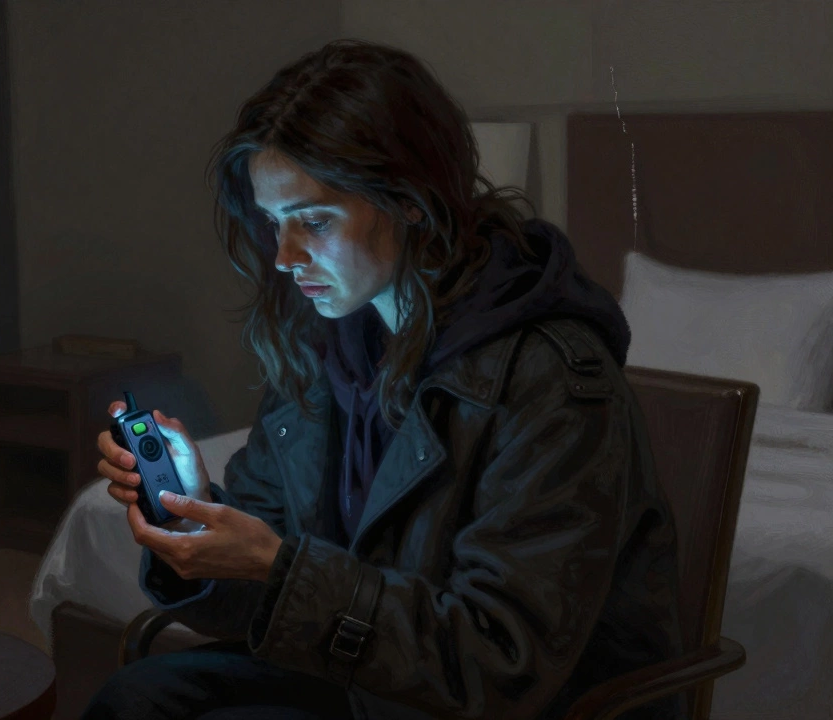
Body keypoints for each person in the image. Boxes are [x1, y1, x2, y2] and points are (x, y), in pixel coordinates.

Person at [83, 38, 684, 720]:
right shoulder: (332, 342)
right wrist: (198, 520)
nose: (283, 256)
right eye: (275, 222)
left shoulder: (551, 379)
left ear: (411, 203)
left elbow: (499, 666)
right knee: (135, 699)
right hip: (369, 683)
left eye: (312, 221)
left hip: (490, 707)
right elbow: (269, 584)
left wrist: (277, 568)